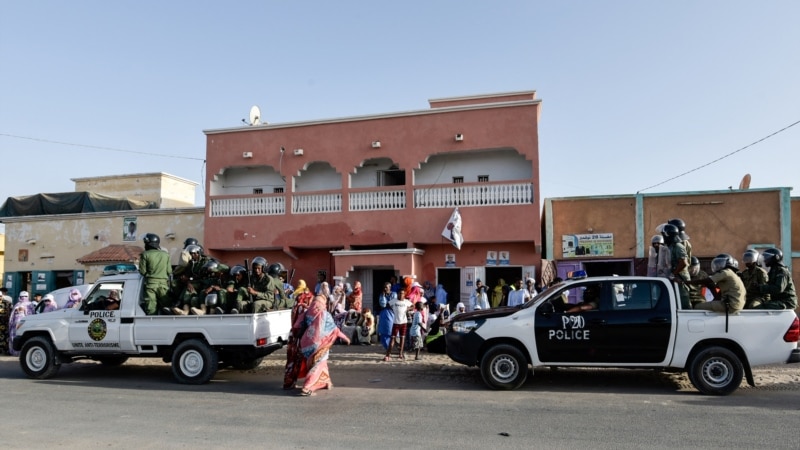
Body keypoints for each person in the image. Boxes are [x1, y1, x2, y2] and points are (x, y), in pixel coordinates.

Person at [295, 295, 350, 396]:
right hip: (320, 344)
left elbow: (298, 326)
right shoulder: (325, 314)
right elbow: (335, 330)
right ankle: (307, 387)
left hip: (306, 344)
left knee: (321, 363)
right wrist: (345, 338)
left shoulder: (307, 313)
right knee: (318, 365)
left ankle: (326, 382)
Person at [283, 279, 313, 390]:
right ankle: (309, 383)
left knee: (292, 357)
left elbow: (294, 315)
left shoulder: (297, 297)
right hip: (308, 333)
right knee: (309, 357)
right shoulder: (310, 297)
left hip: (296, 332)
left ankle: (290, 382)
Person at [139, 233, 173, 315]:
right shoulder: (166, 255)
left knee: (151, 309)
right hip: (164, 285)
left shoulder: (145, 254)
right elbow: (169, 271)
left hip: (150, 285)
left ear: (148, 243)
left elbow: (142, 271)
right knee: (167, 308)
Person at [663, 223, 691, 309]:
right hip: (674, 276)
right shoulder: (670, 246)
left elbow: (683, 263)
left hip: (680, 277)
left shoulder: (678, 246)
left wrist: (674, 273)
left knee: (683, 300)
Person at [385, 289, 413, 361]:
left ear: (404, 294)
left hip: (404, 323)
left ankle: (400, 354)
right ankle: (388, 354)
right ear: (397, 294)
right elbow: (387, 304)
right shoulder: (394, 301)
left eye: (402, 294)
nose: (401, 295)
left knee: (402, 338)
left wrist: (408, 309)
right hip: (396, 323)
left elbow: (413, 306)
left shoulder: (406, 302)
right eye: (400, 293)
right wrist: (393, 309)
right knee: (392, 338)